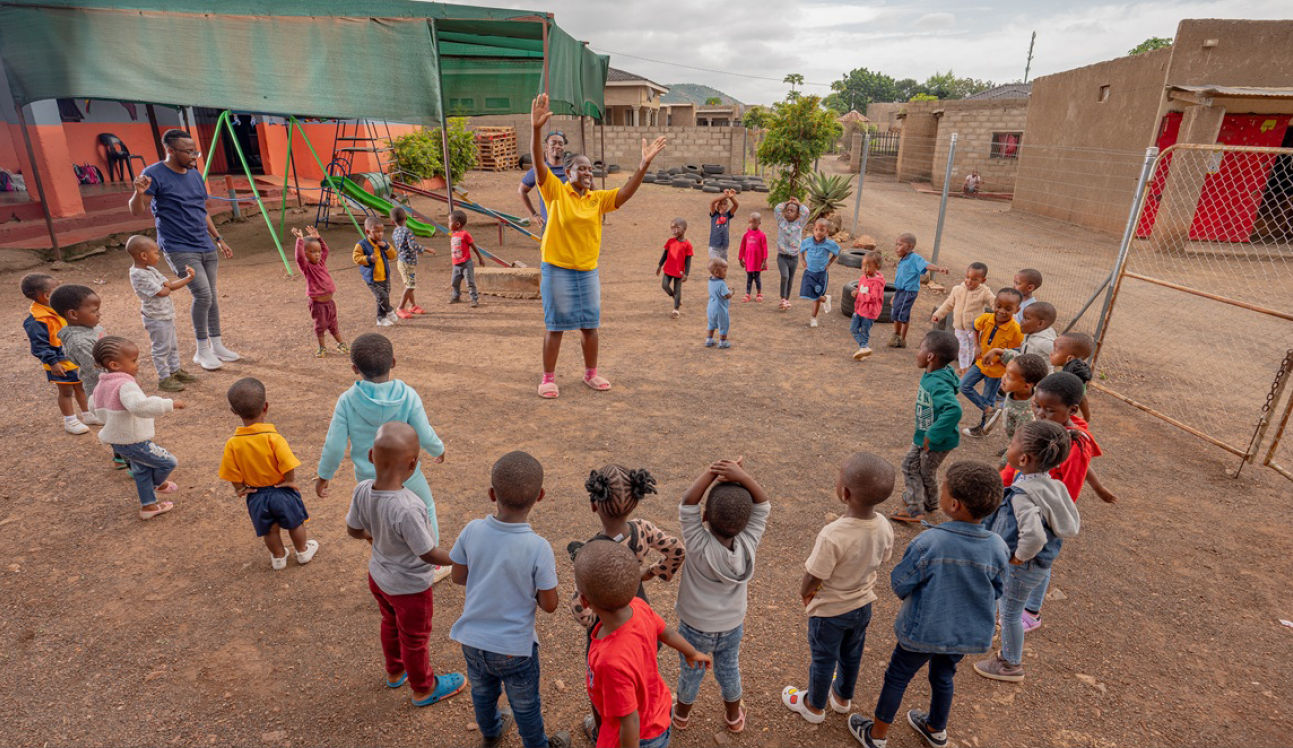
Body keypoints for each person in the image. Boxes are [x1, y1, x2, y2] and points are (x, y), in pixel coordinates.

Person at [848, 462, 1009, 748]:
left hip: (923, 630)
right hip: (964, 633)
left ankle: (877, 735)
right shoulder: (997, 546)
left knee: (897, 676)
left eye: (943, 489)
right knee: (944, 676)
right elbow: (998, 588)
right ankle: (936, 729)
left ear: (955, 504)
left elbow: (900, 583)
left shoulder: (930, 542)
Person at [529, 93, 666, 399]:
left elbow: (625, 194)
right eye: (582, 170)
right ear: (568, 173)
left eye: (591, 170)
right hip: (558, 269)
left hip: (587, 271)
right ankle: (548, 377)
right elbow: (539, 165)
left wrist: (643, 165)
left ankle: (590, 373)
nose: (589, 174)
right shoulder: (555, 191)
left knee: (590, 325)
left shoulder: (597, 199)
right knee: (555, 326)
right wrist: (536, 130)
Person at [449, 451, 570, 748]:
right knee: (526, 705)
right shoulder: (538, 547)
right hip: (515, 649)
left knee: (482, 693)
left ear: (492, 494)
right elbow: (550, 605)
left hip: (474, 642)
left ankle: (490, 733)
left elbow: (457, 576)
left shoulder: (472, 530)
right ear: (540, 496)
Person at [345, 422, 465, 708]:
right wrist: (461, 557)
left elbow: (353, 530)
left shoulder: (362, 489)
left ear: (372, 455)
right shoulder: (409, 506)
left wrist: (371, 536)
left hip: (379, 577)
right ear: (413, 463)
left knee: (389, 623)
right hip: (409, 589)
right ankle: (424, 687)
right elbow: (427, 553)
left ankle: (395, 671)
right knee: (414, 639)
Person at [568, 464, 685, 744]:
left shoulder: (592, 554)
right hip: (638, 611)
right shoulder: (641, 529)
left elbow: (581, 610)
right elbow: (677, 549)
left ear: (594, 505)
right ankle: (645, 711)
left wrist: (593, 618)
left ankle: (601, 729)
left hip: (607, 624)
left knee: (604, 686)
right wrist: (652, 573)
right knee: (641, 665)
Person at [782, 453, 895, 725]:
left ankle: (814, 706)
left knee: (823, 660)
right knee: (851, 654)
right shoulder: (883, 525)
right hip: (862, 606)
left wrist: (805, 594)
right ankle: (843, 699)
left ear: (844, 492)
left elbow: (813, 575)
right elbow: (885, 557)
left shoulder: (833, 534)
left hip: (830, 612)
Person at [1003, 372, 1115, 632]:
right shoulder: (1046, 427)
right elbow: (1018, 462)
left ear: (1071, 409)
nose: (1040, 413)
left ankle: (1031, 611)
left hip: (1047, 513)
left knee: (1040, 560)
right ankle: (1016, 597)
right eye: (1037, 406)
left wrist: (1051, 518)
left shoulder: (1075, 441)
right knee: (1023, 553)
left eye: (1049, 410)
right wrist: (1003, 486)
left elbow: (1070, 488)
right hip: (1026, 499)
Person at [576, 539, 712, 748]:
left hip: (642, 736)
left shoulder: (609, 662)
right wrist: (691, 652)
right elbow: (666, 632)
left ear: (584, 602)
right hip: (658, 711)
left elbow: (630, 721)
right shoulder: (639, 606)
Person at [672, 458, 771, 735]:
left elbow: (687, 503)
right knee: (728, 670)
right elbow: (763, 506)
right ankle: (733, 717)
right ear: (747, 521)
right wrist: (743, 475)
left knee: (691, 672)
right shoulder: (749, 543)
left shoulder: (697, 544)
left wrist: (711, 472)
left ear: (704, 517)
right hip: (731, 626)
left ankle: (680, 717)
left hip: (694, 626)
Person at [975, 420, 1079, 683]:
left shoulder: (1023, 494)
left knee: (1009, 614)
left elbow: (1033, 535)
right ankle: (1013, 635)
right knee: (1013, 607)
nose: (1007, 447)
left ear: (1022, 458)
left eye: (1011, 444)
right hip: (1040, 565)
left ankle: (1010, 664)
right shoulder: (1052, 485)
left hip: (1023, 567)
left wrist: (1018, 557)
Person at [317, 334, 448, 542]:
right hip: (407, 474)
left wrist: (324, 476)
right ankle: (432, 562)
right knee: (426, 508)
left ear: (355, 368)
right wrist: (438, 449)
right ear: (393, 362)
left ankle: (387, 562)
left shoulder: (346, 401)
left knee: (379, 521)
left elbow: (334, 445)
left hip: (369, 479)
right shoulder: (408, 395)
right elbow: (423, 432)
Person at [128, 128, 240, 371]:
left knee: (211, 294)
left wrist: (219, 238)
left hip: (205, 243)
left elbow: (202, 211)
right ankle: (201, 350)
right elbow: (137, 210)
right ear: (170, 150)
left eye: (195, 151)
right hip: (178, 246)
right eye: (189, 152)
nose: (194, 156)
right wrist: (138, 193)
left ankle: (217, 344)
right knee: (203, 295)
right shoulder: (153, 174)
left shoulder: (194, 175)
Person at [218, 377, 319, 570]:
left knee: (269, 529)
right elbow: (287, 463)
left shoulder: (233, 444)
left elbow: (231, 473)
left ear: (234, 412)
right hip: (281, 491)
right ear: (265, 407)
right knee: (295, 523)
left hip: (256, 495)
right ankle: (303, 551)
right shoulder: (274, 438)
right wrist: (289, 481)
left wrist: (240, 488)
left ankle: (279, 557)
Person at [89, 335, 185, 520]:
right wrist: (170, 404)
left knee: (141, 470)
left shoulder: (102, 383)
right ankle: (158, 484)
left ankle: (148, 506)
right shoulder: (124, 385)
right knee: (169, 462)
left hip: (118, 440)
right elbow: (139, 407)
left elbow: (93, 406)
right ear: (115, 365)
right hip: (133, 440)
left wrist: (110, 419)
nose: (137, 364)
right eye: (133, 361)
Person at [50, 284, 127, 469]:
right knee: (117, 422)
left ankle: (122, 455)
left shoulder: (89, 327)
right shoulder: (79, 341)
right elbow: (96, 369)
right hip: (104, 388)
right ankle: (127, 458)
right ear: (73, 314)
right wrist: (122, 376)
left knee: (120, 421)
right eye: (94, 311)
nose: (99, 314)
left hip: (114, 380)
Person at [891, 330, 962, 524]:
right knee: (922, 470)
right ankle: (929, 502)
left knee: (914, 468)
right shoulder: (938, 373)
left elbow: (954, 410)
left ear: (930, 356)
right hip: (928, 436)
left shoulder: (937, 382)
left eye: (920, 348)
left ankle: (915, 509)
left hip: (935, 440)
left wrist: (932, 434)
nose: (917, 353)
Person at [22, 273, 98, 433]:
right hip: (60, 364)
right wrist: (53, 362)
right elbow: (39, 345)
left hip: (74, 360)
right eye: (58, 288)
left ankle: (88, 413)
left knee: (82, 387)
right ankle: (70, 420)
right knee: (66, 391)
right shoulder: (37, 320)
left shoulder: (60, 310)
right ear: (47, 295)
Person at [127, 235, 198, 389]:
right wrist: (166, 289)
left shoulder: (151, 269)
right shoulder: (137, 274)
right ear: (144, 256)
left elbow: (169, 286)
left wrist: (189, 278)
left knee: (172, 345)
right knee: (161, 349)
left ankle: (175, 371)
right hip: (155, 318)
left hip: (166, 314)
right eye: (156, 253)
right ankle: (164, 379)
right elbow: (163, 292)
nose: (159, 257)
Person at [960, 289, 1024, 437]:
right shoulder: (985, 318)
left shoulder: (1016, 330)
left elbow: (1016, 353)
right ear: (994, 304)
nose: (1001, 311)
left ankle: (983, 430)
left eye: (1008, 309)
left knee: (989, 397)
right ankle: (989, 410)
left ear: (1017, 310)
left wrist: (1005, 364)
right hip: (980, 364)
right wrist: (976, 346)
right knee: (964, 386)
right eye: (998, 306)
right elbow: (975, 328)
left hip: (997, 372)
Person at [292, 226, 349, 358]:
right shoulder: (306, 267)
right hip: (318, 305)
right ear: (305, 254)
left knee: (333, 324)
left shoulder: (321, 262)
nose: (317, 254)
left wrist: (318, 238)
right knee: (320, 326)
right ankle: (322, 347)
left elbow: (326, 250)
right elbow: (298, 258)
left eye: (318, 251)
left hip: (330, 303)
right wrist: (300, 240)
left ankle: (341, 344)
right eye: (312, 252)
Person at [930, 262, 994, 375]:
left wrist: (1000, 311)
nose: (969, 281)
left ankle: (972, 368)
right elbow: (948, 304)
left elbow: (993, 302)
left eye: (974, 279)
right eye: (967, 277)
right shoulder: (957, 289)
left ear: (982, 280)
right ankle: (965, 370)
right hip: (959, 327)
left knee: (974, 350)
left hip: (975, 328)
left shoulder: (984, 292)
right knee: (963, 350)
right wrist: (938, 314)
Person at [889, 233, 949, 348]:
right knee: (895, 313)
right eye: (896, 244)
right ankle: (896, 334)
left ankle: (902, 339)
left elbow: (926, 265)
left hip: (908, 292)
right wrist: (895, 295)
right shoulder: (903, 259)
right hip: (900, 291)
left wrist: (938, 269)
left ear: (910, 246)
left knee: (902, 315)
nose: (896, 247)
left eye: (900, 245)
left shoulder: (914, 258)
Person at [987, 354, 1051, 464]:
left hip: (1020, 442)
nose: (1004, 378)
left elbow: (1020, 444)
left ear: (1026, 386)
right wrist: (998, 351)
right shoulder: (1018, 387)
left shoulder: (1026, 415)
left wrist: (1002, 464)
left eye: (1009, 377)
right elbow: (1013, 358)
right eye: (1006, 373)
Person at [518, 130, 569, 234]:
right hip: (549, 225)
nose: (557, 146)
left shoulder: (571, 170)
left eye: (560, 143)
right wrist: (534, 214)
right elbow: (521, 191)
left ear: (564, 148)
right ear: (546, 147)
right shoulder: (539, 170)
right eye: (553, 143)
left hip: (570, 224)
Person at [353, 216, 398, 327]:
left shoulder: (383, 243)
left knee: (382, 298)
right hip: (372, 278)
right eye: (376, 232)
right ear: (368, 231)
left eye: (381, 231)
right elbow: (356, 258)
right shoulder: (362, 244)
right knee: (383, 297)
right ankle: (390, 310)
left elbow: (393, 256)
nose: (380, 234)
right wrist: (368, 259)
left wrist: (387, 247)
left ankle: (381, 319)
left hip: (384, 276)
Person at [391, 205, 433, 318]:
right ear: (406, 218)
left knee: (409, 284)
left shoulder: (395, 232)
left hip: (403, 262)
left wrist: (415, 251)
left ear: (392, 222)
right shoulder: (408, 231)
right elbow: (413, 246)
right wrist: (426, 249)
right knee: (410, 286)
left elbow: (405, 246)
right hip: (407, 263)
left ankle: (413, 305)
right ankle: (400, 308)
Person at [799, 217, 841, 328]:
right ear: (814, 229)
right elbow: (801, 250)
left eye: (822, 230)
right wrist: (802, 260)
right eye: (817, 229)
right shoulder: (807, 241)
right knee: (807, 293)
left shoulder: (829, 244)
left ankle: (813, 317)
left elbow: (837, 251)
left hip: (821, 273)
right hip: (809, 272)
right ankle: (826, 299)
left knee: (816, 297)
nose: (818, 232)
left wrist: (829, 263)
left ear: (826, 231)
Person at [1051, 331, 1095, 422]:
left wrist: (1086, 419)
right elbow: (1083, 398)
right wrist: (1087, 418)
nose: (1051, 353)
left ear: (1069, 358)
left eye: (1055, 351)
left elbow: (1082, 399)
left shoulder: (1071, 380)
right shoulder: (1074, 376)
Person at [774, 198, 809, 310]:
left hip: (794, 258)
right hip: (782, 257)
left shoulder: (800, 224)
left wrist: (798, 204)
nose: (788, 212)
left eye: (792, 211)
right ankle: (783, 298)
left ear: (797, 215)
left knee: (790, 278)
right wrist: (786, 203)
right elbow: (776, 209)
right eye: (788, 210)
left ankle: (786, 299)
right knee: (785, 276)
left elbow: (806, 212)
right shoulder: (781, 222)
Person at [655, 218, 693, 318]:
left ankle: (676, 309)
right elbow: (665, 254)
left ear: (684, 229)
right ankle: (674, 297)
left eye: (677, 228)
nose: (674, 230)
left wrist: (686, 274)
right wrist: (659, 265)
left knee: (678, 290)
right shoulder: (670, 241)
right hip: (668, 269)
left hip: (679, 272)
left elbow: (688, 261)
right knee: (664, 285)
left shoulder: (687, 245)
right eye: (672, 228)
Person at [851, 251, 885, 360]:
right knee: (853, 329)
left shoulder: (877, 283)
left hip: (869, 312)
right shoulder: (862, 278)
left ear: (877, 267)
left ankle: (864, 348)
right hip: (859, 309)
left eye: (868, 266)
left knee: (864, 331)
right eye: (863, 265)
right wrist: (855, 292)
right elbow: (860, 289)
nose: (865, 268)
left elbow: (873, 298)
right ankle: (864, 348)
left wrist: (859, 295)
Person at [449, 210, 486, 308]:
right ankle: (456, 296)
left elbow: (473, 246)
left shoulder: (465, 234)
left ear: (457, 224)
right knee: (454, 282)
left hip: (466, 263)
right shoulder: (453, 234)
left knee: (470, 282)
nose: (448, 223)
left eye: (450, 221)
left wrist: (480, 258)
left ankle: (474, 299)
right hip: (456, 264)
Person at [704, 258, 734, 349]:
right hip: (720, 309)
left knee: (711, 323)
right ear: (717, 272)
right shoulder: (721, 283)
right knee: (723, 324)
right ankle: (723, 342)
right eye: (724, 270)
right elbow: (726, 296)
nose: (726, 272)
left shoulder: (710, 281)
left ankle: (709, 340)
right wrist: (731, 292)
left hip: (710, 308)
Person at [707, 190, 740, 262]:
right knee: (715, 265)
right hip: (714, 246)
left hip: (724, 246)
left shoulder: (728, 215)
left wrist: (731, 197)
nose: (722, 206)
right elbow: (712, 202)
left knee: (723, 266)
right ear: (717, 206)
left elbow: (736, 205)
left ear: (728, 206)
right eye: (720, 204)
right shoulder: (714, 215)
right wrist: (724, 196)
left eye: (724, 204)